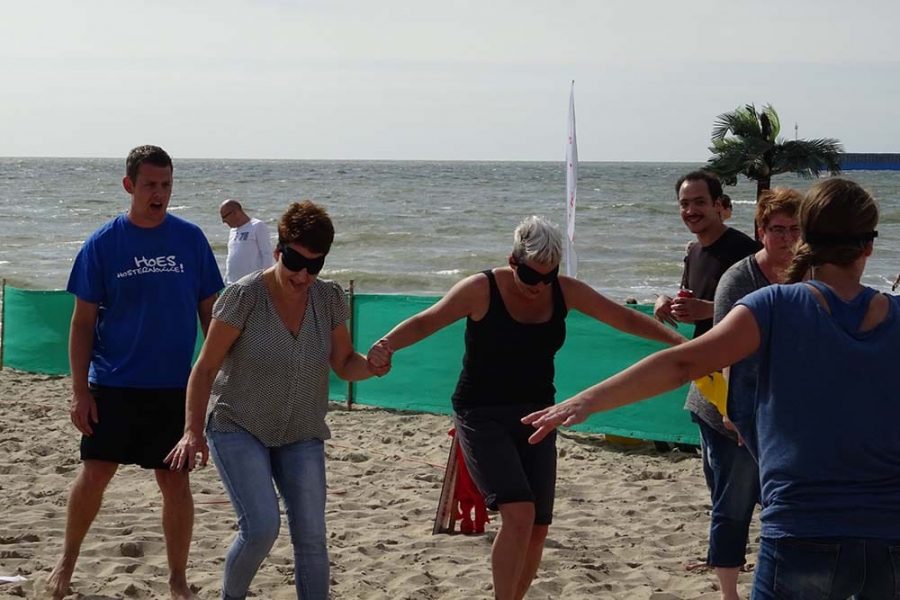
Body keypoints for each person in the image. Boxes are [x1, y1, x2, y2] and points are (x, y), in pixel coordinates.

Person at [524, 178, 900, 599]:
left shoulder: (774, 306)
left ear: (805, 239)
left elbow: (682, 364)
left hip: (802, 530)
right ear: (869, 246)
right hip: (889, 534)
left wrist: (586, 401)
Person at [366, 216, 685, 600]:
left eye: (548, 277)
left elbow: (624, 317)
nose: (539, 286)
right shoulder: (481, 288)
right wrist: (386, 344)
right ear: (512, 261)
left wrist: (682, 346)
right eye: (531, 276)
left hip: (538, 414)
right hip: (481, 413)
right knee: (518, 515)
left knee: (538, 527)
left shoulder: (564, 291)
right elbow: (426, 321)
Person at [166, 201, 385, 600]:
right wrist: (191, 432)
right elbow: (205, 368)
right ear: (278, 250)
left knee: (312, 537)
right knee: (262, 528)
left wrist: (371, 366)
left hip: (301, 431)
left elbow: (344, 363)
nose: (302, 276)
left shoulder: (329, 298)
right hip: (238, 424)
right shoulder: (243, 296)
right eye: (295, 262)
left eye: (314, 266)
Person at [48, 145, 224, 600]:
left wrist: (220, 375)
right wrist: (79, 391)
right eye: (149, 185)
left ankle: (178, 580)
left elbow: (211, 314)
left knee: (175, 481)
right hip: (113, 382)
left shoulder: (190, 240)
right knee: (95, 473)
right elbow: (82, 323)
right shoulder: (103, 243)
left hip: (173, 386)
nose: (158, 194)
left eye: (166, 185)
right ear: (129, 185)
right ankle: (66, 563)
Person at [695, 187, 801, 600]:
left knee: (785, 497)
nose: (787, 239)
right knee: (734, 498)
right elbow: (724, 352)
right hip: (725, 400)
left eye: (795, 230)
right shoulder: (740, 279)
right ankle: (729, 592)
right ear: (761, 232)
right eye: (778, 229)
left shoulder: (810, 273)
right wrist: (731, 413)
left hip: (778, 404)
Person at [652, 171, 759, 454]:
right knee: (715, 472)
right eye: (684, 204)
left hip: (739, 388)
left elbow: (765, 310)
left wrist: (709, 310)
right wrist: (665, 301)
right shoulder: (695, 252)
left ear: (718, 204)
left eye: (699, 202)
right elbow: (690, 297)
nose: (691, 211)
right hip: (704, 383)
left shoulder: (746, 251)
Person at [220, 199, 274, 284]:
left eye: (224, 217)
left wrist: (265, 280)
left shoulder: (257, 226)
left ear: (235, 213)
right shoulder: (232, 231)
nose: (223, 221)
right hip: (232, 283)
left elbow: (267, 254)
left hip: (252, 283)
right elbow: (231, 258)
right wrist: (225, 280)